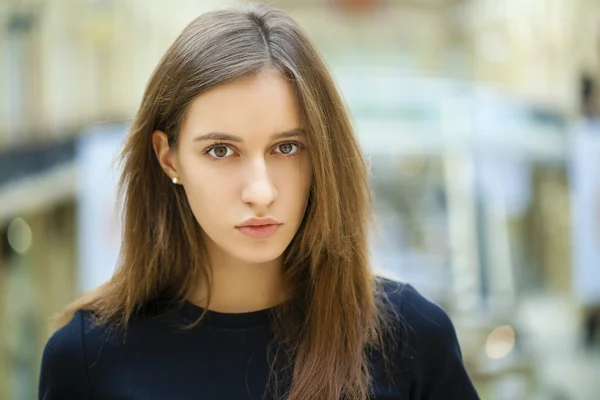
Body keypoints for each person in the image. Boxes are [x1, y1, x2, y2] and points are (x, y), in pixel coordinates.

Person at [38, 4, 479, 400]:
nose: (261, 192)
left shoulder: (413, 340)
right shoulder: (88, 359)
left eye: (286, 148)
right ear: (168, 157)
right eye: (220, 151)